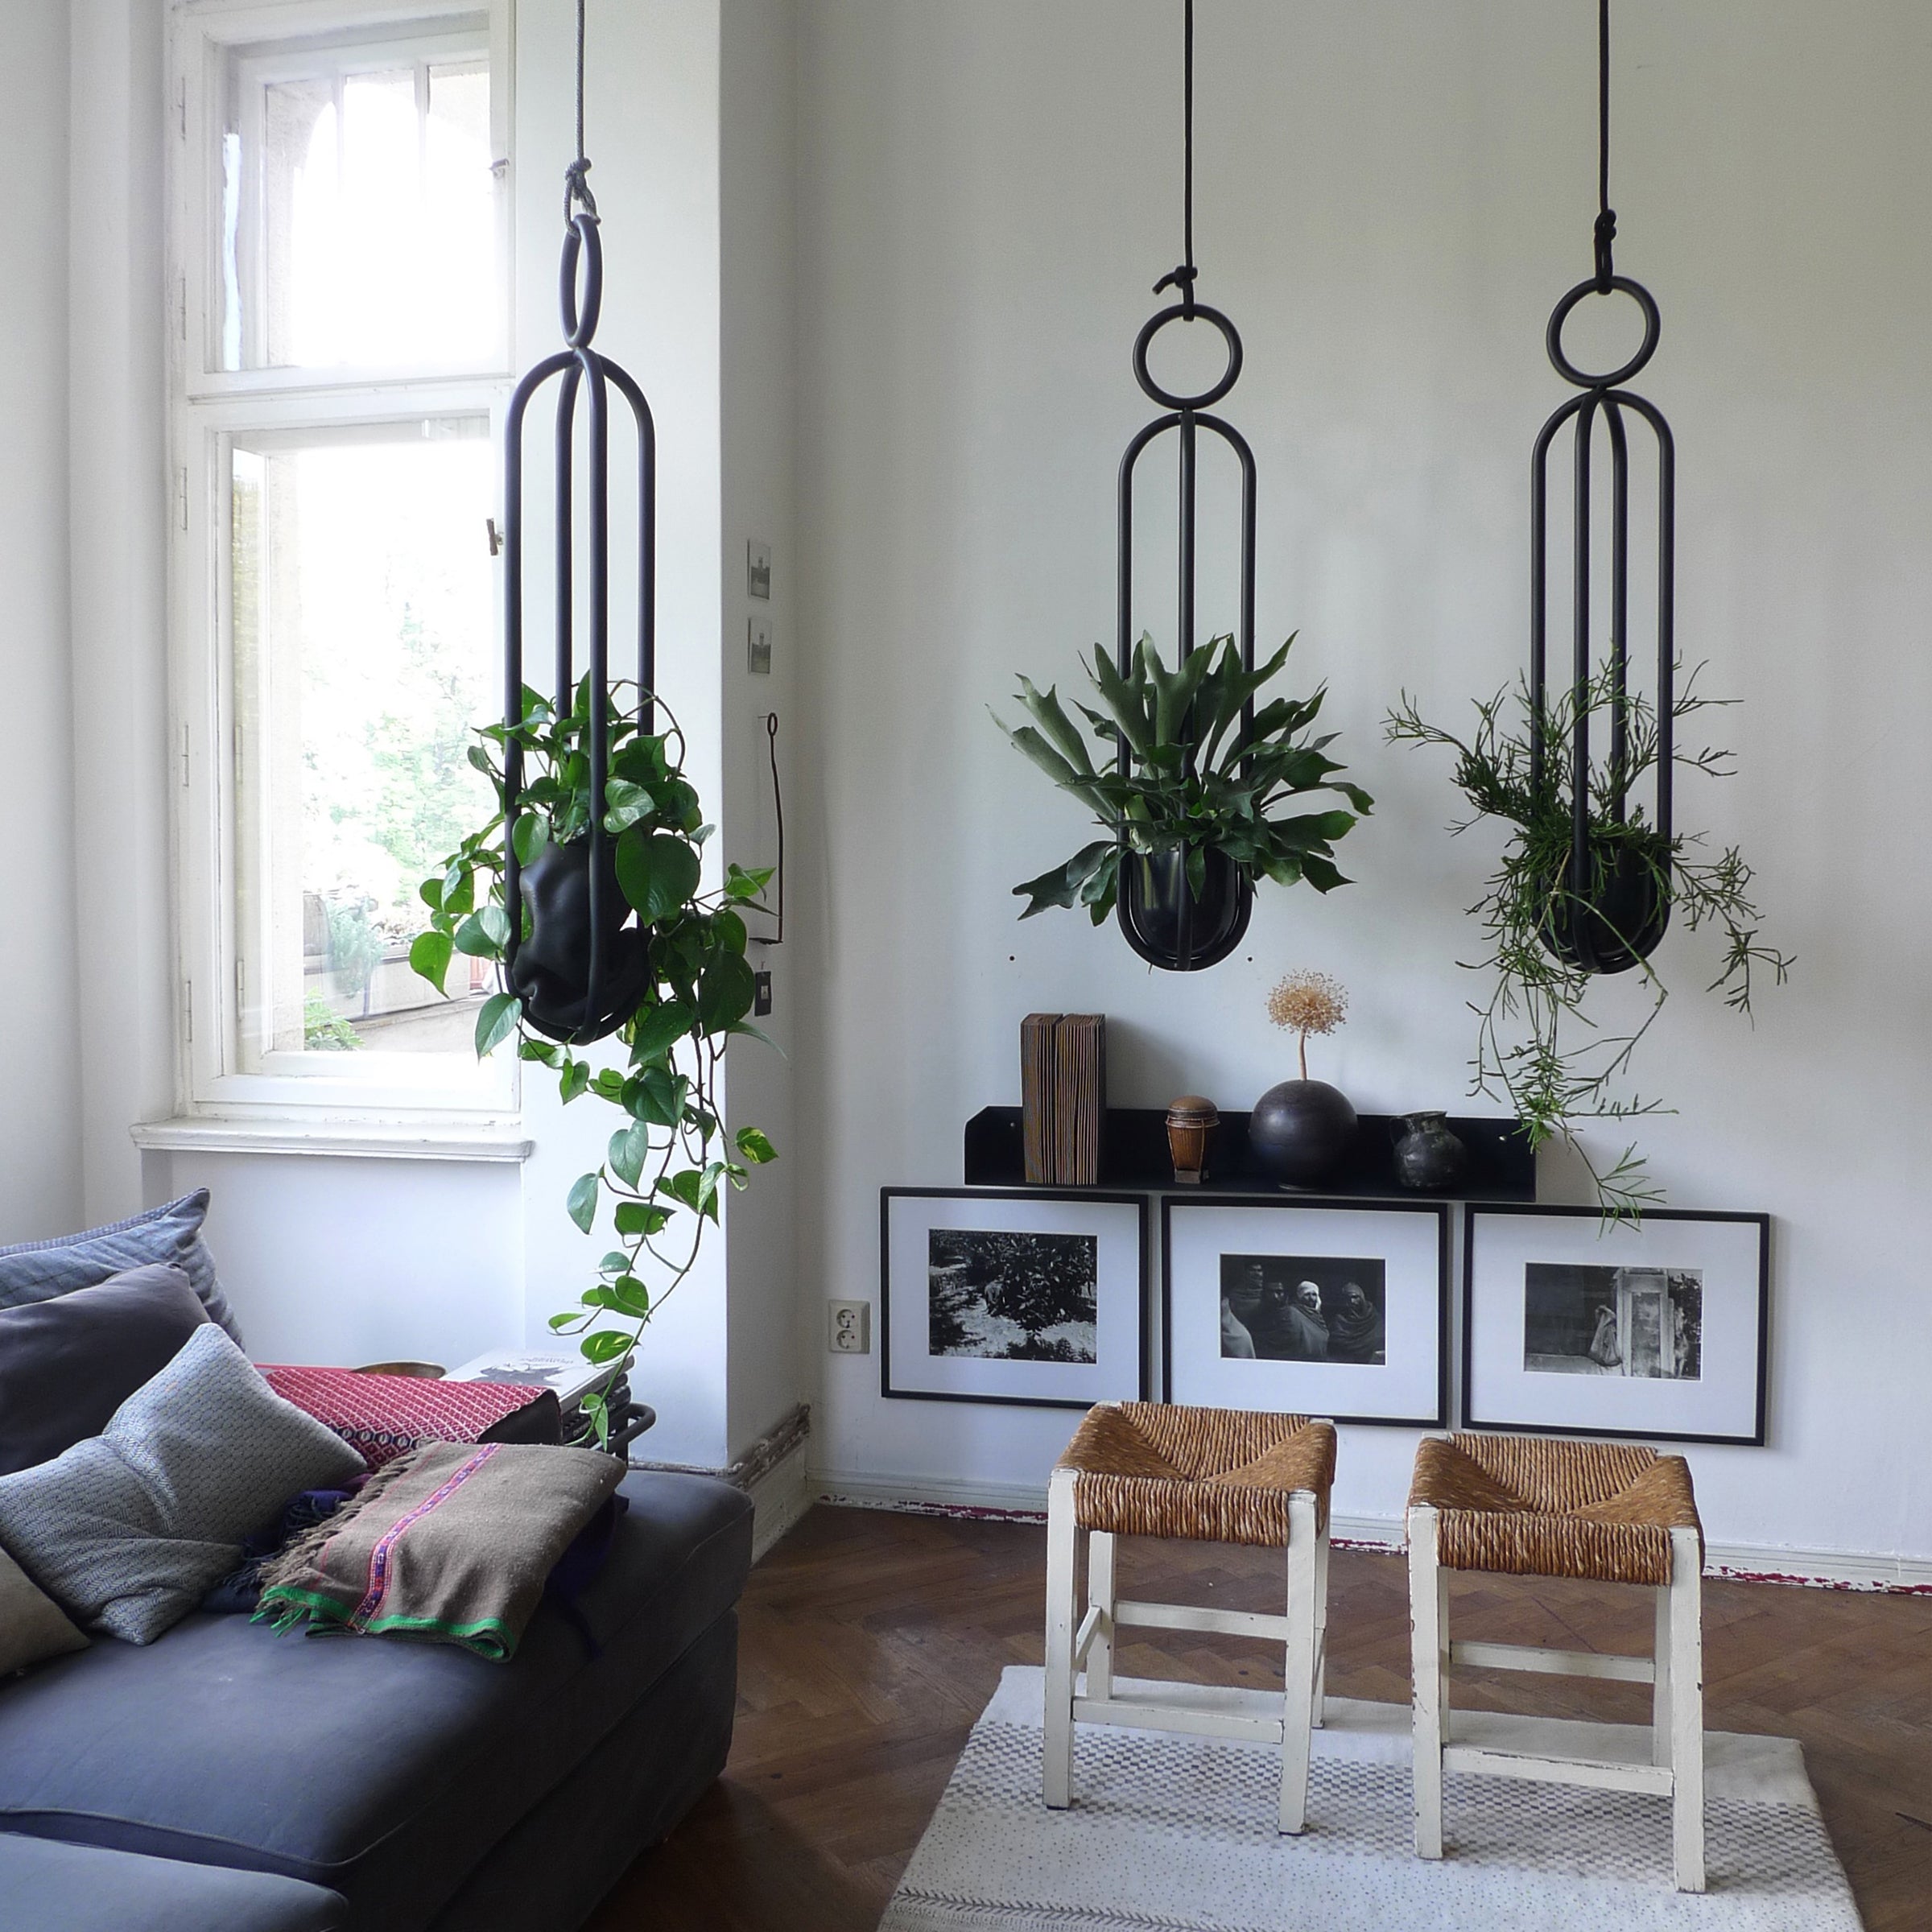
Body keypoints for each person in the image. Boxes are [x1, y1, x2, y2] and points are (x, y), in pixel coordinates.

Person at [1325, 1280, 1384, 1365]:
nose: (1352, 1301)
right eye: (1348, 1299)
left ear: (1362, 1297)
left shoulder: (1375, 1318)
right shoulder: (1339, 1321)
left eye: (1355, 1297)